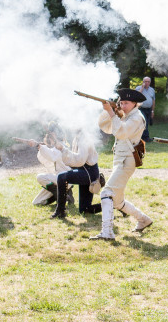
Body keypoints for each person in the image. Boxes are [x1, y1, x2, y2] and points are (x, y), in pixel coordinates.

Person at [93, 88, 153, 240]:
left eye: (126, 103)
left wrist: (113, 113)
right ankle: (144, 219)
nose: (123, 105)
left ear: (134, 104)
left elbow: (120, 132)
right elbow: (105, 126)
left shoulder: (136, 118)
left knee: (106, 192)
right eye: (121, 102)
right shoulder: (125, 115)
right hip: (120, 159)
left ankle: (107, 232)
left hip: (127, 161)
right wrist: (110, 111)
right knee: (118, 201)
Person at [51, 131, 103, 219]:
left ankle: (60, 210)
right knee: (84, 209)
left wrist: (63, 149)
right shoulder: (77, 138)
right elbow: (75, 158)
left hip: (89, 173)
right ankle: (112, 204)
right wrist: (62, 149)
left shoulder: (84, 138)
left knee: (61, 177)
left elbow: (80, 160)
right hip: (85, 171)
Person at [26, 128, 70, 207]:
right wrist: (40, 147)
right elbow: (46, 160)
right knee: (37, 202)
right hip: (58, 180)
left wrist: (39, 145)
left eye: (52, 135)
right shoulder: (56, 147)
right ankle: (64, 195)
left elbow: (52, 156)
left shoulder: (61, 146)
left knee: (40, 177)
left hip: (65, 179)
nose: (50, 137)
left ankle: (63, 196)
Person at [137, 76, 156, 143]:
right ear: (143, 82)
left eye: (148, 82)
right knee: (143, 123)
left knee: (146, 123)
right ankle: (145, 138)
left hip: (149, 109)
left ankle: (144, 137)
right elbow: (137, 95)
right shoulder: (139, 88)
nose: (147, 83)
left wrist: (152, 111)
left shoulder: (152, 90)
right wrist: (142, 88)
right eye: (145, 81)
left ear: (150, 82)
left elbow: (153, 101)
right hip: (141, 108)